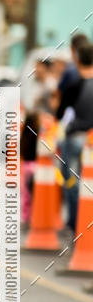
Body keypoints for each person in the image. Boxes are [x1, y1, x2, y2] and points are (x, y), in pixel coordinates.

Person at [56, 42, 93, 233]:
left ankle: (74, 223)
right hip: (91, 140)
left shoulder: (74, 85)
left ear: (77, 59)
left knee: (72, 182)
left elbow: (59, 113)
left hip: (76, 137)